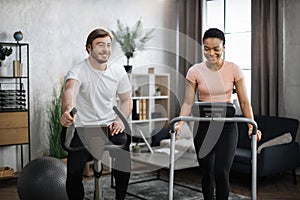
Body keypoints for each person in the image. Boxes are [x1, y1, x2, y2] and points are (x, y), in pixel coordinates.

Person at [175, 28, 262, 200]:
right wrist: (180, 124)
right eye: (206, 48)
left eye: (216, 48)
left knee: (221, 171)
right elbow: (187, 102)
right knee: (207, 172)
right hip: (203, 124)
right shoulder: (194, 71)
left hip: (227, 126)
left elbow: (244, 102)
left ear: (224, 47)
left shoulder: (234, 69)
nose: (211, 53)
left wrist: (251, 125)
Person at [60, 28, 132, 200]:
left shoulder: (118, 71)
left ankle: (120, 198)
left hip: (110, 127)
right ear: (89, 48)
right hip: (86, 129)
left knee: (123, 162)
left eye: (108, 45)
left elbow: (126, 100)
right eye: (100, 45)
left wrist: (121, 120)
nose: (105, 49)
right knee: (73, 173)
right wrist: (67, 110)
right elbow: (70, 92)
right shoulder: (78, 71)